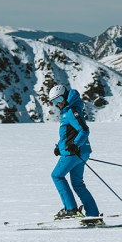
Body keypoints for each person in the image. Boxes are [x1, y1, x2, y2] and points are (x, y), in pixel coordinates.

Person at [49, 84, 102, 224]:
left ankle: (70, 209)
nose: (57, 104)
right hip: (79, 152)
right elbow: (68, 135)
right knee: (78, 184)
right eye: (54, 102)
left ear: (65, 96)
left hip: (74, 153)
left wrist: (74, 145)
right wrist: (59, 147)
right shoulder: (69, 110)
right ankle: (93, 216)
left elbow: (84, 130)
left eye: (58, 99)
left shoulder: (71, 111)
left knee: (56, 175)